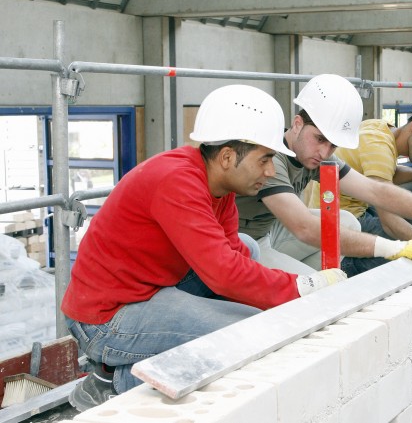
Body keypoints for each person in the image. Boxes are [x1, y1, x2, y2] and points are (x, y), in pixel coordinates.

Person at [61, 85, 348, 412]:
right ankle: (113, 382)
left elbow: (234, 259)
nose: (271, 171)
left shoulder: (219, 189)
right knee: (245, 332)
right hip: (106, 316)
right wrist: (302, 287)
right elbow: (224, 275)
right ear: (227, 157)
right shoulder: (177, 181)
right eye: (265, 159)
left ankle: (142, 357)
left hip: (150, 284)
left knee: (249, 250)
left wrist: (287, 299)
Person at [236, 74, 412, 277]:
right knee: (317, 292)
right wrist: (391, 248)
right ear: (297, 124)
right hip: (244, 242)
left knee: (346, 222)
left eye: (333, 145)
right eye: (319, 139)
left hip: (270, 230)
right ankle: (309, 282)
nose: (325, 152)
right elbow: (304, 227)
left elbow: (374, 190)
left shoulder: (318, 155)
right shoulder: (271, 157)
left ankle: (317, 276)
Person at [310, 99, 412, 276]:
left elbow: (385, 174)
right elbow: (389, 221)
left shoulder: (381, 128)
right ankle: (351, 267)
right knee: (399, 232)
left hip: (358, 206)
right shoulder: (378, 144)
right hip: (343, 218)